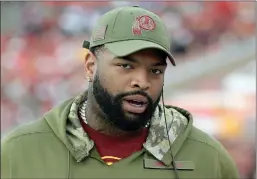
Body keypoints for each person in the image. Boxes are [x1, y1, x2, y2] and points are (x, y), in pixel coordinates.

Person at [1, 6, 239, 179]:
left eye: (155, 71)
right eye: (126, 66)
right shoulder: (21, 152)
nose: (142, 82)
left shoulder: (207, 158)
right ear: (90, 66)